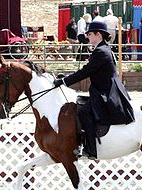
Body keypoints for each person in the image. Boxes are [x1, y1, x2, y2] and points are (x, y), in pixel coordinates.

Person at [53, 21, 135, 159]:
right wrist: (65, 78)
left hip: (106, 92)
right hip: (102, 89)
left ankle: (91, 149)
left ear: (98, 34)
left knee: (84, 112)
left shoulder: (101, 52)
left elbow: (86, 72)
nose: (88, 37)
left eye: (90, 34)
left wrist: (64, 81)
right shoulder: (102, 49)